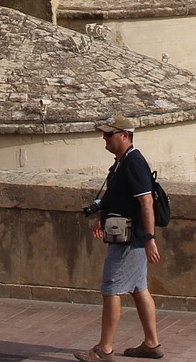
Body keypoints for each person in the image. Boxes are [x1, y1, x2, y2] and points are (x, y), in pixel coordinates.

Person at [77, 116, 162, 361]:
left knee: (111, 289)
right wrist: (101, 218)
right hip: (128, 237)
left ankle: (105, 350)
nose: (104, 138)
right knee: (138, 289)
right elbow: (118, 198)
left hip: (129, 241)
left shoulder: (133, 163)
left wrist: (149, 238)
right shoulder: (123, 162)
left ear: (124, 135)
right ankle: (152, 343)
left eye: (108, 134)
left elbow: (146, 202)